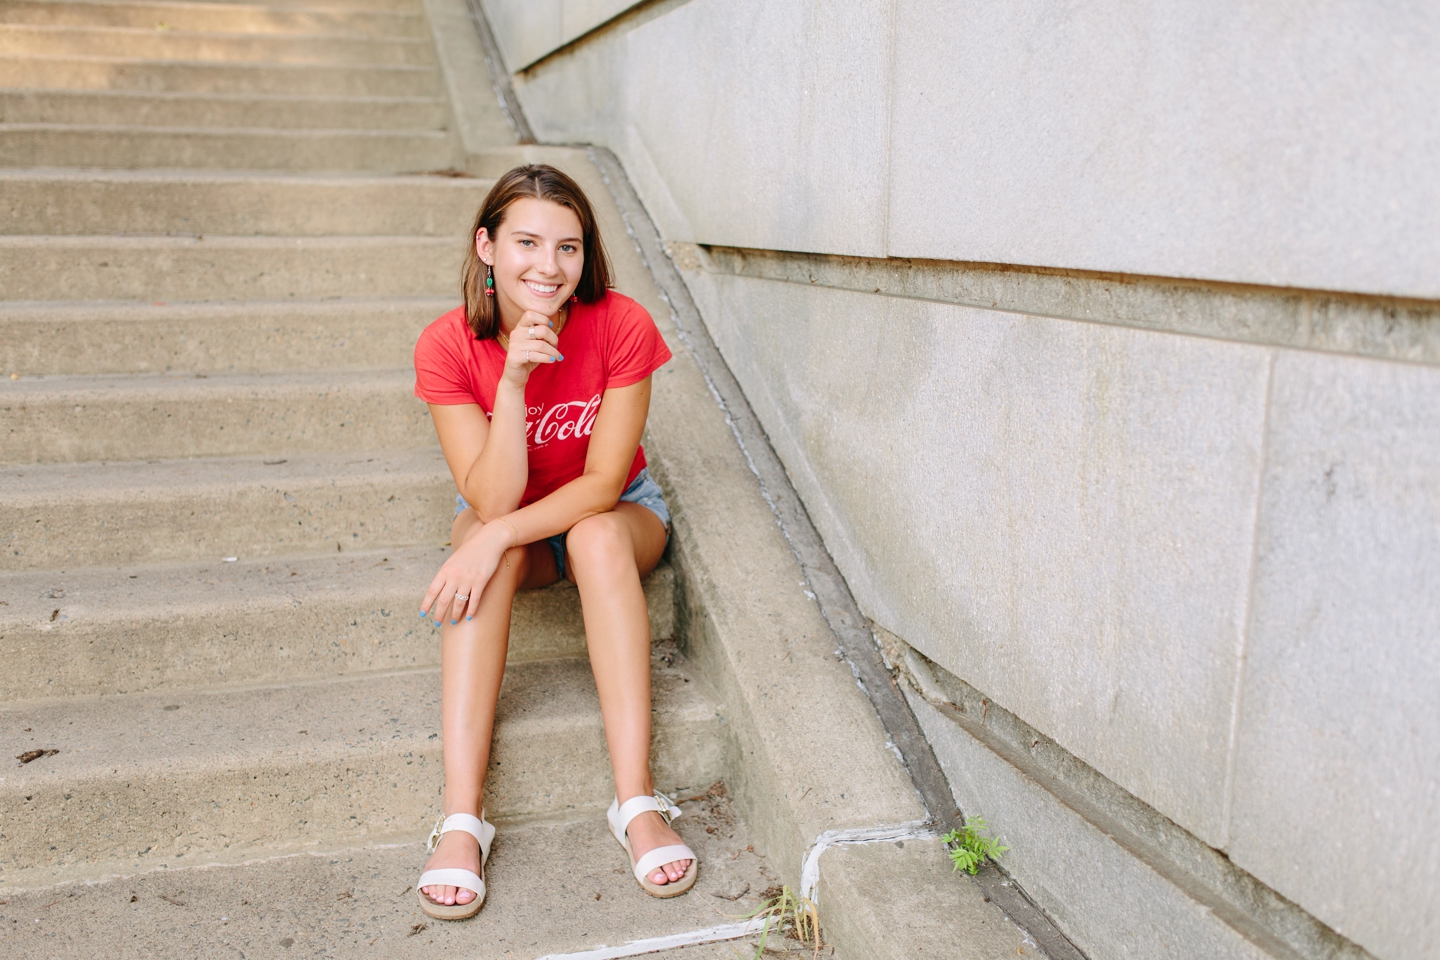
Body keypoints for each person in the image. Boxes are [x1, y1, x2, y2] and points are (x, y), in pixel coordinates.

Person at [409, 164, 696, 920]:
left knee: (595, 539)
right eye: (528, 242)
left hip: (616, 512)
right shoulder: (446, 346)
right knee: (487, 543)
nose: (549, 266)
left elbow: (604, 484)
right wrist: (511, 384)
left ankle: (636, 801)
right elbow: (491, 497)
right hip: (518, 521)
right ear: (487, 247)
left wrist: (492, 533)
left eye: (568, 247)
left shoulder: (622, 325)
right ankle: (462, 819)